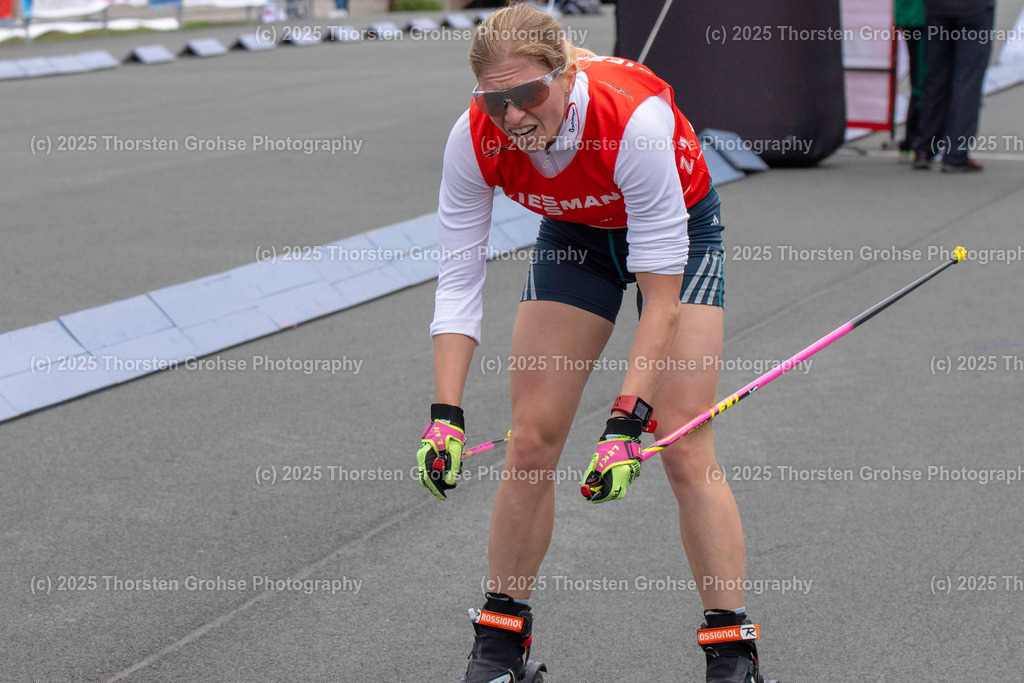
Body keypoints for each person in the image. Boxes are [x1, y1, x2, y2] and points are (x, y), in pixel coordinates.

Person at [415, 4, 776, 682]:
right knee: (530, 437)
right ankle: (498, 647)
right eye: (496, 101)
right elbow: (458, 280)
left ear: (565, 71)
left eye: (529, 94)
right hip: (576, 236)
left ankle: (733, 656)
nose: (514, 116)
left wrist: (625, 423)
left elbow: (661, 300)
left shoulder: (632, 124)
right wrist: (445, 416)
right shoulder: (473, 137)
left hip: (678, 234)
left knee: (681, 442)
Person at [912, 0, 996, 172]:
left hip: (937, 8)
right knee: (967, 82)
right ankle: (955, 153)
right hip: (974, 9)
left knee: (935, 79)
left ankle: (924, 149)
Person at [895, 0, 927, 153]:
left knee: (920, 76)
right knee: (922, 79)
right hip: (918, 15)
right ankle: (916, 139)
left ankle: (914, 139)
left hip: (914, 14)